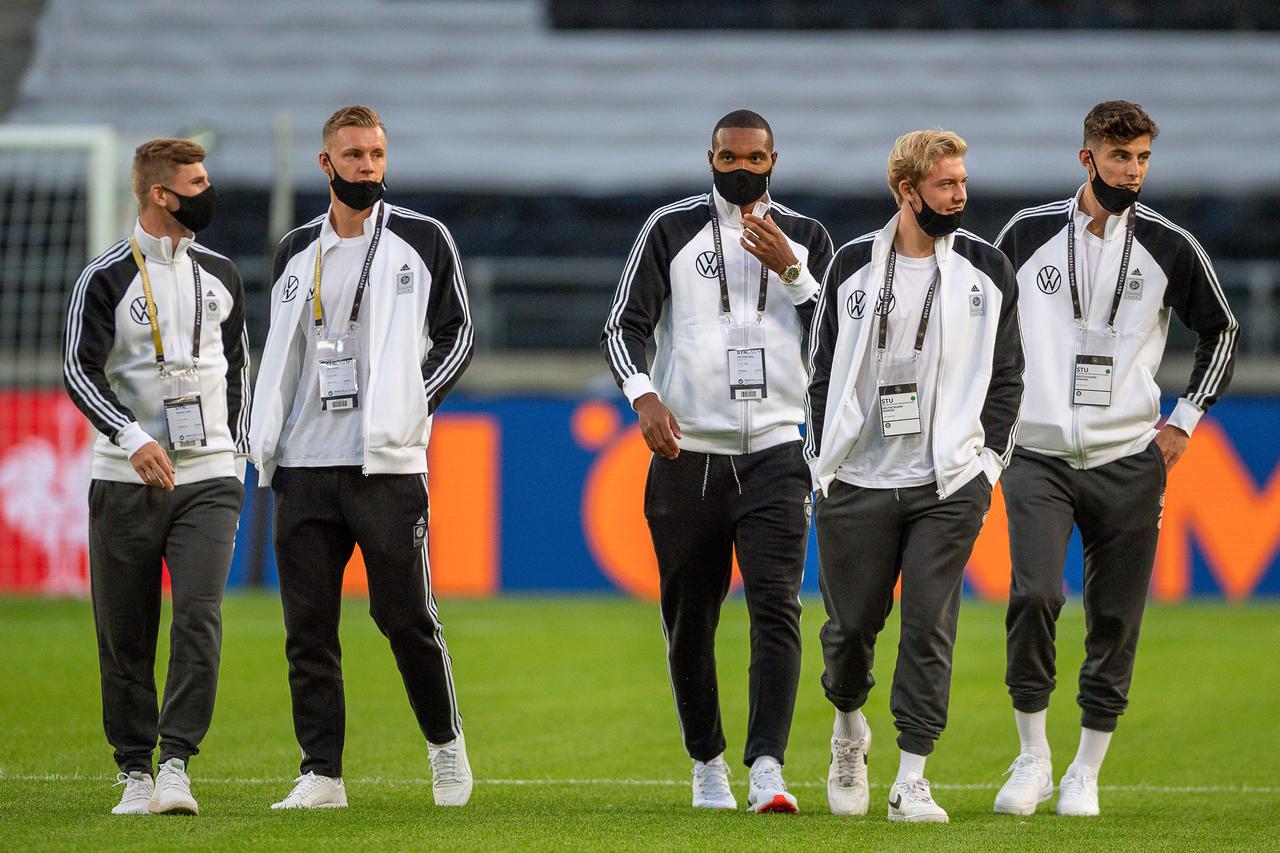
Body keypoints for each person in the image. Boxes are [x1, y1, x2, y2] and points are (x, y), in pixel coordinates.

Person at [991, 100, 1238, 817]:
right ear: (1087, 158)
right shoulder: (1027, 232)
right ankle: (1032, 754)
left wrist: (1185, 421)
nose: (1132, 170)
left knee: (1116, 616)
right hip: (1036, 452)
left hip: (1130, 457)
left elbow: (1220, 331)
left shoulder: (1171, 244)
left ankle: (1085, 769)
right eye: (1120, 155)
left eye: (1142, 158)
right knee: (1034, 594)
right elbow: (978, 319)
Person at [601, 109, 833, 813]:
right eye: (729, 158)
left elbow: (839, 336)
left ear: (773, 159)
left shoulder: (810, 237)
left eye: (755, 158)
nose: (742, 169)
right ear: (711, 157)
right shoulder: (669, 228)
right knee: (690, 617)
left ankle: (767, 766)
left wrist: (793, 272)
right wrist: (643, 397)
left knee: (777, 610)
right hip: (688, 451)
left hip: (775, 449)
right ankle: (708, 762)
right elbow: (624, 324)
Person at [249, 105, 475, 809]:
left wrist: (412, 404)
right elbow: (279, 350)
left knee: (404, 614)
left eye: (376, 154)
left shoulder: (422, 238)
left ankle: (446, 749)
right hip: (303, 464)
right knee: (307, 627)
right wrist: (265, 440)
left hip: (386, 464)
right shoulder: (294, 250)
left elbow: (459, 335)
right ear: (326, 164)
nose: (367, 167)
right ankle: (322, 773)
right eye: (353, 155)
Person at [807, 129, 1023, 823]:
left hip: (949, 483)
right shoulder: (850, 267)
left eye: (963, 182)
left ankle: (912, 778)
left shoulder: (988, 270)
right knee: (850, 632)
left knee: (930, 623)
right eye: (947, 185)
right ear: (908, 191)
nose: (961, 195)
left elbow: (1010, 379)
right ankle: (848, 729)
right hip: (859, 480)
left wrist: (987, 466)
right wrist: (822, 466)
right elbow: (818, 373)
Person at [63, 138, 249, 816]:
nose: (208, 190)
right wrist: (130, 434)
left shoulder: (222, 273)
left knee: (198, 617)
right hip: (124, 477)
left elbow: (240, 370)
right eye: (196, 182)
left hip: (209, 478)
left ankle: (176, 763)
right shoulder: (105, 276)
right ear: (160, 195)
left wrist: (239, 453)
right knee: (126, 629)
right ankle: (135, 769)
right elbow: (78, 371)